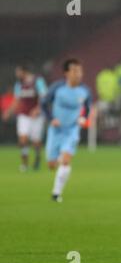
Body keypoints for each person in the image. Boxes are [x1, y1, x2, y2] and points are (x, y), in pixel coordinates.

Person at [41, 59, 92, 202]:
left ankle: (56, 193)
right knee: (51, 165)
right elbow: (44, 104)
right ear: (66, 73)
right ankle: (56, 160)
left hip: (72, 130)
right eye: (74, 71)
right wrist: (51, 118)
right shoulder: (57, 88)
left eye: (80, 71)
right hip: (56, 130)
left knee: (65, 160)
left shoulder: (85, 91)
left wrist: (83, 117)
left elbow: (87, 108)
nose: (78, 74)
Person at [2, 65, 47, 171]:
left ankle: (37, 158)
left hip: (36, 116)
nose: (17, 74)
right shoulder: (19, 84)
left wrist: (38, 109)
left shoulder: (38, 81)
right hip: (24, 115)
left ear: (24, 71)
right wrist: (8, 111)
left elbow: (44, 96)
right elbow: (17, 100)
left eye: (18, 72)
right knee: (23, 139)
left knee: (36, 141)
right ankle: (25, 163)